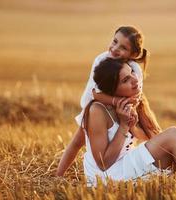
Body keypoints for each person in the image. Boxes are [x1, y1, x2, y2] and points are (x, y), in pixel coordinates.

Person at [82, 58, 176, 186]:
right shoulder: (98, 110)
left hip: (125, 163)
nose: (135, 80)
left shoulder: (128, 103)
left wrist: (133, 127)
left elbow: (152, 137)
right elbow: (103, 163)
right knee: (173, 135)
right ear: (112, 90)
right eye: (125, 80)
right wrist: (123, 126)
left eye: (131, 73)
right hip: (107, 177)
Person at [56, 26, 158, 176]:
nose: (115, 48)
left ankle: (155, 154)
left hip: (121, 108)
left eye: (123, 47)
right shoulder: (102, 60)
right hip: (97, 106)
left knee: (145, 131)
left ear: (134, 54)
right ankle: (58, 175)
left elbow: (136, 95)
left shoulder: (135, 69)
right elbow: (95, 94)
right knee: (78, 141)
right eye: (114, 41)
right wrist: (116, 101)